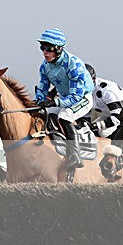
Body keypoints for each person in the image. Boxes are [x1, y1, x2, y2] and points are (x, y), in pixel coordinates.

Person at [34, 28, 94, 169]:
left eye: (48, 48)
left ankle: (75, 155)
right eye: (42, 47)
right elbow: (42, 87)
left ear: (59, 49)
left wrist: (54, 101)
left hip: (82, 99)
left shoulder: (74, 65)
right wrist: (39, 100)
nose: (44, 52)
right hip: (65, 98)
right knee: (43, 113)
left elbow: (75, 97)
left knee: (65, 116)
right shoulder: (44, 66)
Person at [85, 64, 123, 138]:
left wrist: (95, 126)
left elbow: (119, 116)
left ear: (93, 79)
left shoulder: (106, 91)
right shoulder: (83, 90)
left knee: (103, 133)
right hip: (109, 113)